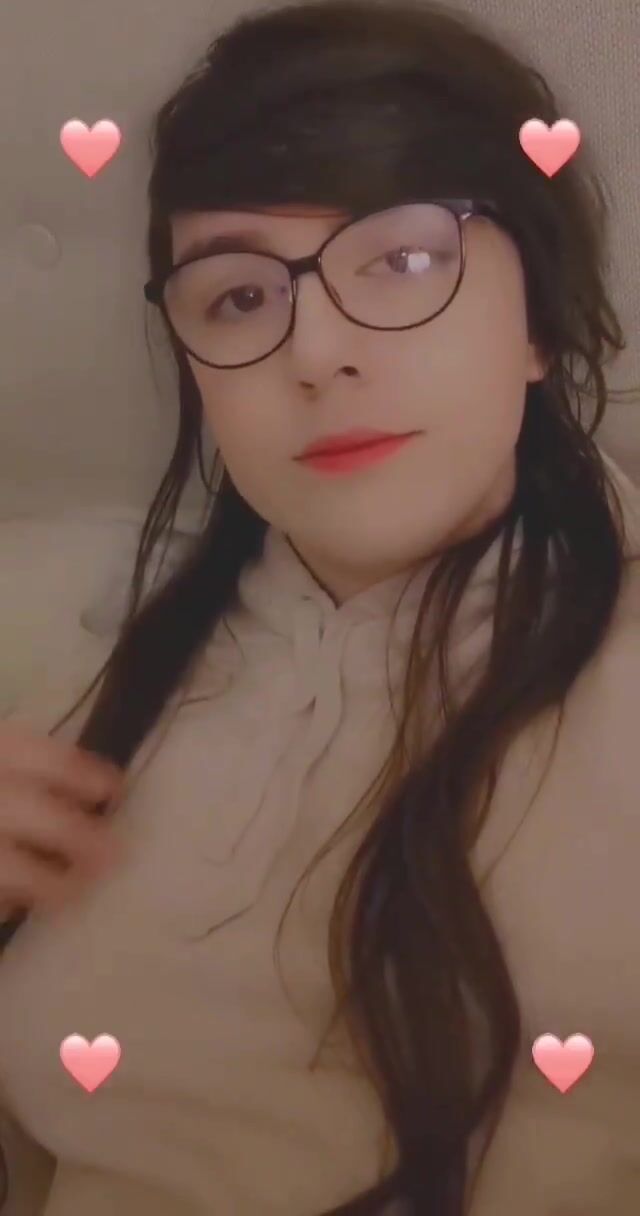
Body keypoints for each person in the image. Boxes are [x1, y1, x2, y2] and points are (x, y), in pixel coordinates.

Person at [0, 0, 638, 1212]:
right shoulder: (90, 709)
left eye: (402, 258)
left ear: (541, 320)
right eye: (239, 296)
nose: (316, 351)